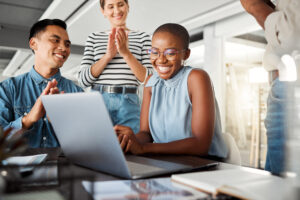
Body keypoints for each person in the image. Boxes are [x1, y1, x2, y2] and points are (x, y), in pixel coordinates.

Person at [114, 23, 228, 158]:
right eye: (155, 52)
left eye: (170, 53)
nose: (161, 60)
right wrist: (126, 140)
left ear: (186, 54)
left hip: (203, 163)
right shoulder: (151, 82)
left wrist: (144, 148)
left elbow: (200, 145)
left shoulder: (196, 78)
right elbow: (146, 134)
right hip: (167, 159)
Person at [0, 19, 83, 148]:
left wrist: (62, 124)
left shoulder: (78, 93)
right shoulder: (7, 89)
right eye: (55, 40)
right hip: (19, 167)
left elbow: (85, 143)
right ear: (33, 44)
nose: (63, 48)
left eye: (67, 44)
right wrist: (28, 120)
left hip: (63, 166)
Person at [240, 0, 300, 174]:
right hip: (286, 87)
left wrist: (254, 5)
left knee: (281, 184)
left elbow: (291, 37)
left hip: (290, 86)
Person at [78, 0, 152, 134]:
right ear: (103, 11)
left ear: (128, 6)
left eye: (121, 4)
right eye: (110, 7)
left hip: (128, 100)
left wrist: (126, 53)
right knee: (97, 144)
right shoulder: (94, 38)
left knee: (130, 146)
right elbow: (83, 80)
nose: (117, 11)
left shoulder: (143, 37)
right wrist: (107, 56)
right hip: (98, 99)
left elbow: (149, 80)